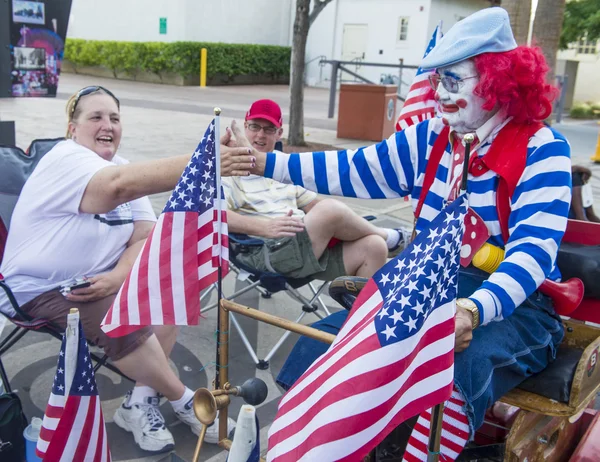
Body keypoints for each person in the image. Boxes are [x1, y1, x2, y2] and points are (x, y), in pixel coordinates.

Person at [221, 8, 570, 459]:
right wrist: (261, 161)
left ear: (496, 81)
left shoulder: (543, 150)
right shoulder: (431, 138)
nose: (440, 94)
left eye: (453, 80)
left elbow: (532, 256)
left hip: (515, 304)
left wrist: (471, 310)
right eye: (438, 80)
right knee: (322, 342)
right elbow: (352, 169)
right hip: (424, 286)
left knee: (449, 372)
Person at [0, 86, 247, 453]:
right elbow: (115, 189)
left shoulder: (119, 165)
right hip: (38, 289)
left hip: (103, 281)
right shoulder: (65, 158)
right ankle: (188, 402)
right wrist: (206, 158)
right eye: (95, 117)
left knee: (169, 282)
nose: (108, 125)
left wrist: (117, 277)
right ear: (72, 128)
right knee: (118, 314)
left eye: (114, 118)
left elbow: (144, 238)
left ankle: (139, 403)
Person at [223, 99, 411, 281]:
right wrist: (264, 227)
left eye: (268, 129)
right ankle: (391, 238)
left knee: (375, 247)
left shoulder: (282, 164)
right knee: (330, 210)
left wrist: (349, 225)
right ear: (245, 127)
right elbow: (216, 214)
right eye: (254, 126)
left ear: (279, 133)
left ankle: (360, 311)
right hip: (266, 250)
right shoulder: (229, 168)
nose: (260, 135)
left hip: (305, 245)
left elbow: (315, 205)